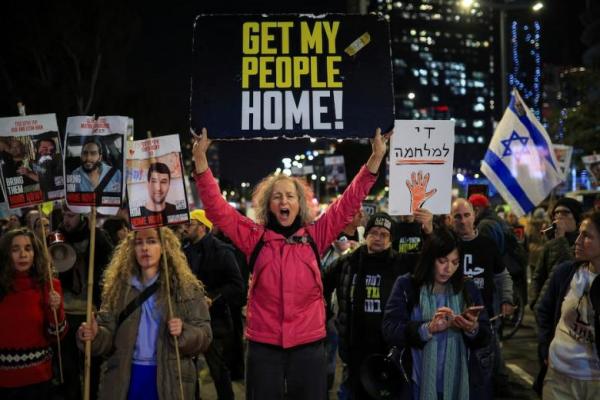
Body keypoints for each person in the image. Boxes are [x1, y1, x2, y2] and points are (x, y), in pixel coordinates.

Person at [191, 127, 389, 400]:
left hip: (308, 346)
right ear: (268, 205)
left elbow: (348, 201)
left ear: (300, 204)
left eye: (290, 196)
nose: (284, 200)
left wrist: (375, 158)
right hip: (263, 347)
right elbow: (216, 209)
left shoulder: (315, 235)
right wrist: (201, 160)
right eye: (277, 196)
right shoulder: (253, 238)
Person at [77, 227, 212, 399]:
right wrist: (95, 335)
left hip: (169, 378)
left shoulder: (184, 288)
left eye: (151, 241)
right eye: (138, 243)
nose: (144, 248)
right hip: (127, 377)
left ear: (164, 247)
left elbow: (205, 335)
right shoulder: (119, 288)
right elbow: (107, 336)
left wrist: (183, 331)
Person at [382, 228, 490, 400]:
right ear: (430, 258)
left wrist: (473, 328)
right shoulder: (407, 285)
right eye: (442, 261)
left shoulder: (468, 288)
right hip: (416, 383)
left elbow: (485, 334)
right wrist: (427, 329)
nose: (448, 269)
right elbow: (390, 329)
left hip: (459, 384)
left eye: (455, 262)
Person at [323, 212, 421, 399]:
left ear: (391, 240)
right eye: (373, 232)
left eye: (384, 234)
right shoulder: (348, 262)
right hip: (355, 350)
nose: (377, 238)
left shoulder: (400, 263)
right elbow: (321, 282)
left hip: (390, 350)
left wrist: (429, 228)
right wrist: (324, 314)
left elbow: (431, 259)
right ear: (365, 235)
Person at [451, 198, 514, 398]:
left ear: (474, 215)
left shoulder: (488, 244)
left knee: (495, 371)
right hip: (455, 320)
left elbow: (502, 275)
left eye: (467, 215)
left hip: (485, 320)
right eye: (457, 217)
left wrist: (507, 299)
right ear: (452, 220)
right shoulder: (447, 246)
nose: (463, 221)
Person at [535, 211, 600, 399]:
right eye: (579, 233)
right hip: (558, 378)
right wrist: (545, 347)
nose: (577, 241)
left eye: (586, 236)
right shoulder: (566, 272)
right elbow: (543, 310)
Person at [183, 209, 244, 400]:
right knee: (189, 372)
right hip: (189, 320)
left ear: (202, 227)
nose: (185, 228)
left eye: (189, 224)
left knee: (218, 369)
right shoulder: (183, 252)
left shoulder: (222, 251)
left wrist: (212, 298)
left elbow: (236, 285)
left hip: (215, 321)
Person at [0, 228, 67, 399]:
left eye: (28, 248)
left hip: (39, 381)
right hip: (4, 383)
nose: (23, 254)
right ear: (6, 253)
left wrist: (56, 309)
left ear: (35, 253)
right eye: (15, 249)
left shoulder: (50, 285)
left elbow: (57, 335)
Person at [57, 207, 114, 400]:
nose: (66, 220)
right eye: (64, 215)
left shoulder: (97, 235)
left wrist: (95, 233)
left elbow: (111, 261)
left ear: (82, 216)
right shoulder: (57, 237)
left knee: (92, 365)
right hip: (66, 312)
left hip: (90, 310)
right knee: (69, 367)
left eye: (71, 216)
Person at [530, 197, 583, 310]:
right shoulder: (550, 244)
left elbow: (571, 270)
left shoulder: (583, 243)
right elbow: (538, 276)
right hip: (548, 308)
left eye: (565, 213)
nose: (559, 216)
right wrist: (535, 302)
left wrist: (560, 239)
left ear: (576, 217)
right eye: (556, 213)